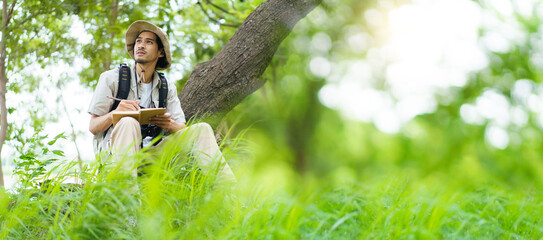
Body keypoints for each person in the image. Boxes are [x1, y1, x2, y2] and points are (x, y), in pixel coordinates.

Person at [87, 20, 235, 181]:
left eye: (148, 42)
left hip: (153, 157)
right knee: (128, 122)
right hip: (115, 155)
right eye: (138, 41)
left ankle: (230, 195)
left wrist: (168, 124)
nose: (141, 45)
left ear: (160, 53)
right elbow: (93, 127)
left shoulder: (166, 86)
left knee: (202, 129)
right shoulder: (111, 78)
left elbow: (181, 128)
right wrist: (115, 114)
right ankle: (127, 196)